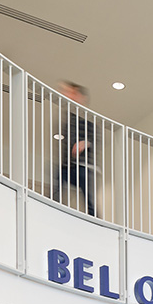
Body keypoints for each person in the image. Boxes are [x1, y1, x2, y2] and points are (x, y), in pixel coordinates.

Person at [52, 80, 96, 217]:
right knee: (58, 180)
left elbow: (94, 137)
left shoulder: (87, 119)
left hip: (82, 165)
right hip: (68, 164)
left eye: (73, 93)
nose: (69, 95)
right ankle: (54, 207)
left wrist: (85, 143)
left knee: (87, 194)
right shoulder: (68, 119)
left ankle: (94, 217)